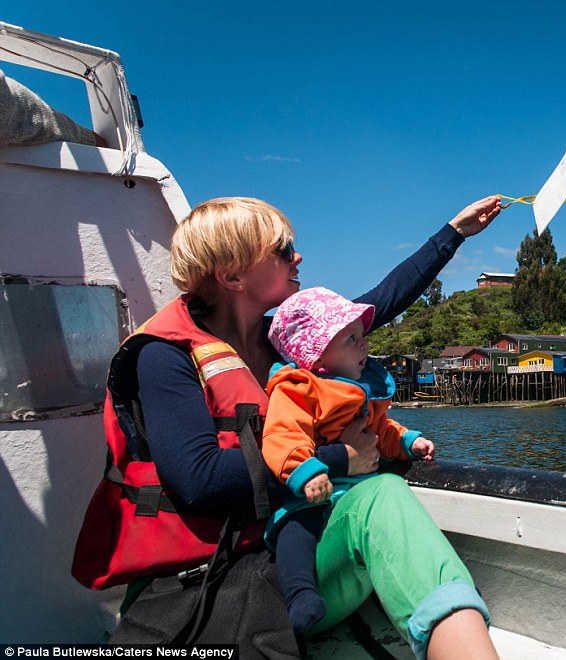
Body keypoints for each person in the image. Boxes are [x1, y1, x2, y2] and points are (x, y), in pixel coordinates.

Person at [75, 195, 502, 659]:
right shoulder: (164, 356)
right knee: (378, 491)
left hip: (290, 563)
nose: (297, 257)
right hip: (204, 584)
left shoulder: (291, 343)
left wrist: (454, 233)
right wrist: (340, 457)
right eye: (281, 250)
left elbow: (383, 299)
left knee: (383, 493)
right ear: (232, 276)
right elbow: (199, 480)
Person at [261, 286, 437, 633]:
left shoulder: (363, 391)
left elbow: (381, 431)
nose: (364, 345)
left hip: (358, 492)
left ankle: (427, 588)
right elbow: (283, 435)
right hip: (313, 494)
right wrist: (305, 471)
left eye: (362, 336)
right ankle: (300, 595)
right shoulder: (298, 387)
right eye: (351, 338)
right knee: (294, 530)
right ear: (316, 355)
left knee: (388, 518)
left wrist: (408, 442)